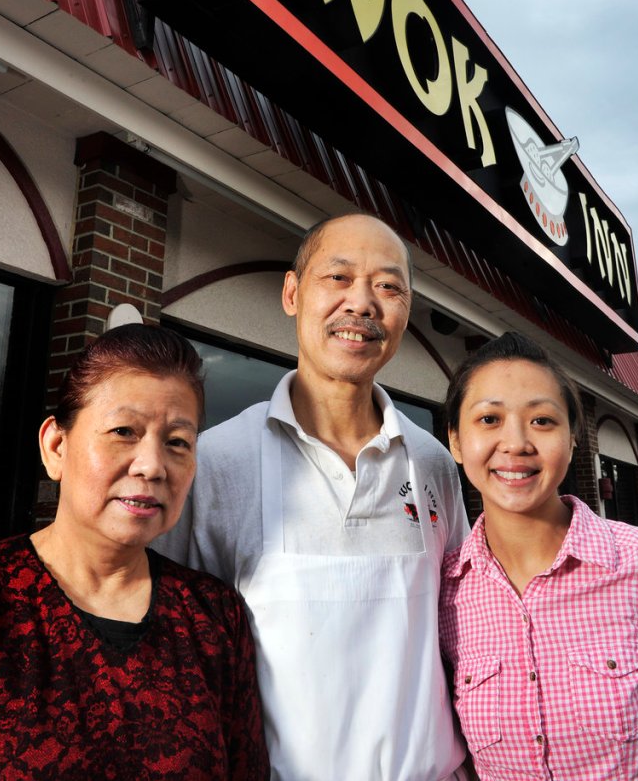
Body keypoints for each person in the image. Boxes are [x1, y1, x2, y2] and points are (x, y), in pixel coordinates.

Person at [157, 213, 470, 781]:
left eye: (389, 286)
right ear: (293, 293)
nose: (363, 303)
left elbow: (459, 631)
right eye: (339, 277)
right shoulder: (219, 462)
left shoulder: (432, 463)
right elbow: (171, 655)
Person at [0, 323, 269, 781]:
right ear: (56, 446)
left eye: (177, 442)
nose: (152, 465)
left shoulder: (213, 617)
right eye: (123, 431)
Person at [439, 330, 638, 781]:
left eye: (542, 421)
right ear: (454, 440)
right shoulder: (445, 594)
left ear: (573, 440)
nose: (516, 443)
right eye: (489, 419)